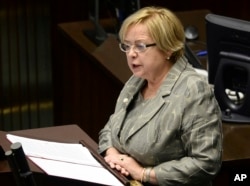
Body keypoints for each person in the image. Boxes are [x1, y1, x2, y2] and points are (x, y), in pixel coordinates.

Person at [98, 6, 222, 186]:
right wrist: (113, 155)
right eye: (127, 45)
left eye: (140, 46)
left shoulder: (193, 91)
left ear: (168, 49)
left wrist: (143, 173)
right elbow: (111, 128)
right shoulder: (136, 81)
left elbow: (206, 162)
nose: (131, 53)